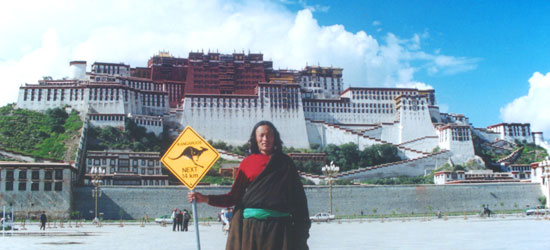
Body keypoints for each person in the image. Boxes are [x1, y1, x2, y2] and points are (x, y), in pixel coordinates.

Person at [188, 120, 311, 250]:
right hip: (251, 229)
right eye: (261, 135)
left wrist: (301, 234)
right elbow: (233, 197)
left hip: (280, 229)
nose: (265, 139)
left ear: (275, 138)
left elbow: (299, 201)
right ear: (255, 139)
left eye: (269, 135)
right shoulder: (247, 163)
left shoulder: (285, 163)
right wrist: (205, 198)